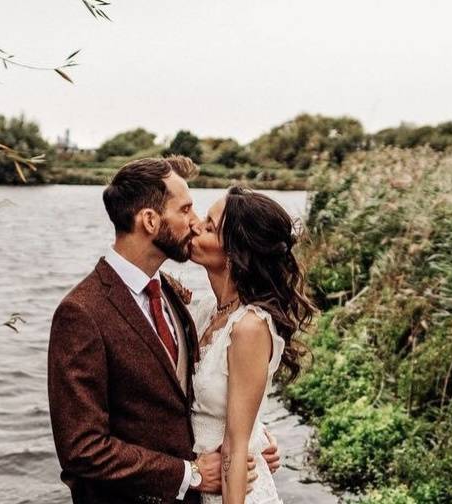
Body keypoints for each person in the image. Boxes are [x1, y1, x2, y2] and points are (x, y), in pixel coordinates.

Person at [47, 157, 280, 504]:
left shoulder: (173, 296)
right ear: (151, 220)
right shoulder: (82, 312)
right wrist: (192, 474)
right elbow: (82, 449)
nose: (195, 221)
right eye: (185, 210)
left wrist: (253, 439)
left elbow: (194, 395)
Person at [189, 186, 315, 504]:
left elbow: (235, 445)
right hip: (204, 482)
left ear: (234, 251)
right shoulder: (205, 311)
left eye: (209, 226)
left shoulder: (249, 327)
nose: (195, 226)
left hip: (236, 493)